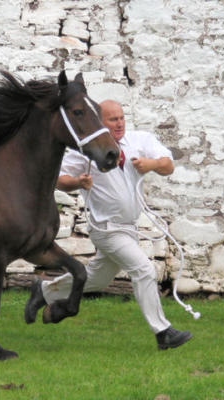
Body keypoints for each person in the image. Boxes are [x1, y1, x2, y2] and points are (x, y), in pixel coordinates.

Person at [25, 99, 193, 350]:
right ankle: (163, 332)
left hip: (128, 227)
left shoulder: (140, 140)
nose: (119, 123)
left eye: (122, 117)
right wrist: (79, 183)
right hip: (106, 228)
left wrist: (153, 165)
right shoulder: (87, 150)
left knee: (97, 279)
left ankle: (46, 291)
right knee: (144, 270)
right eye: (113, 119)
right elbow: (59, 179)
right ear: (100, 123)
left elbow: (168, 165)